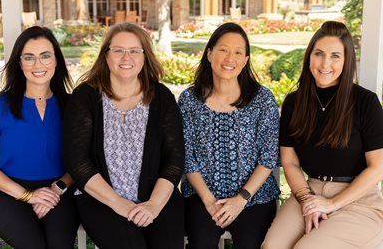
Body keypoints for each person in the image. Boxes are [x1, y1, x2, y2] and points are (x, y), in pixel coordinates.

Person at [63, 22, 185, 249]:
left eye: (134, 51)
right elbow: (77, 161)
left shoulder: (161, 97)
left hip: (156, 197)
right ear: (106, 56)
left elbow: (175, 158)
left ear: (144, 56)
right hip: (101, 199)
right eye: (118, 50)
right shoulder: (86, 97)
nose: (125, 57)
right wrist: (118, 203)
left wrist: (154, 205)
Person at [263, 21, 383, 249]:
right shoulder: (294, 102)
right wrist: (310, 202)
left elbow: (378, 167)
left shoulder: (365, 102)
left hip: (359, 198)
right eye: (319, 54)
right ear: (309, 57)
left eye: (335, 56)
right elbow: (289, 162)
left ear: (346, 61)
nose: (326, 63)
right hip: (310, 190)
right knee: (273, 246)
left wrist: (330, 204)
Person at [178, 22, 280, 249]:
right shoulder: (189, 101)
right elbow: (187, 156)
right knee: (201, 243)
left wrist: (241, 199)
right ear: (209, 53)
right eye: (223, 50)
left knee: (250, 244)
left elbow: (268, 156)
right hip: (202, 195)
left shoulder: (261, 99)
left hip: (254, 196)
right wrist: (208, 200)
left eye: (237, 52)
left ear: (245, 60)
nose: (229, 58)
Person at [0, 26, 79, 249]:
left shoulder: (73, 106)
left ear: (56, 60)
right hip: (8, 192)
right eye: (29, 57)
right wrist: (29, 196)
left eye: (45, 56)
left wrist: (57, 188)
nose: (38, 64)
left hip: (59, 190)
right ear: (20, 63)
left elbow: (83, 159)